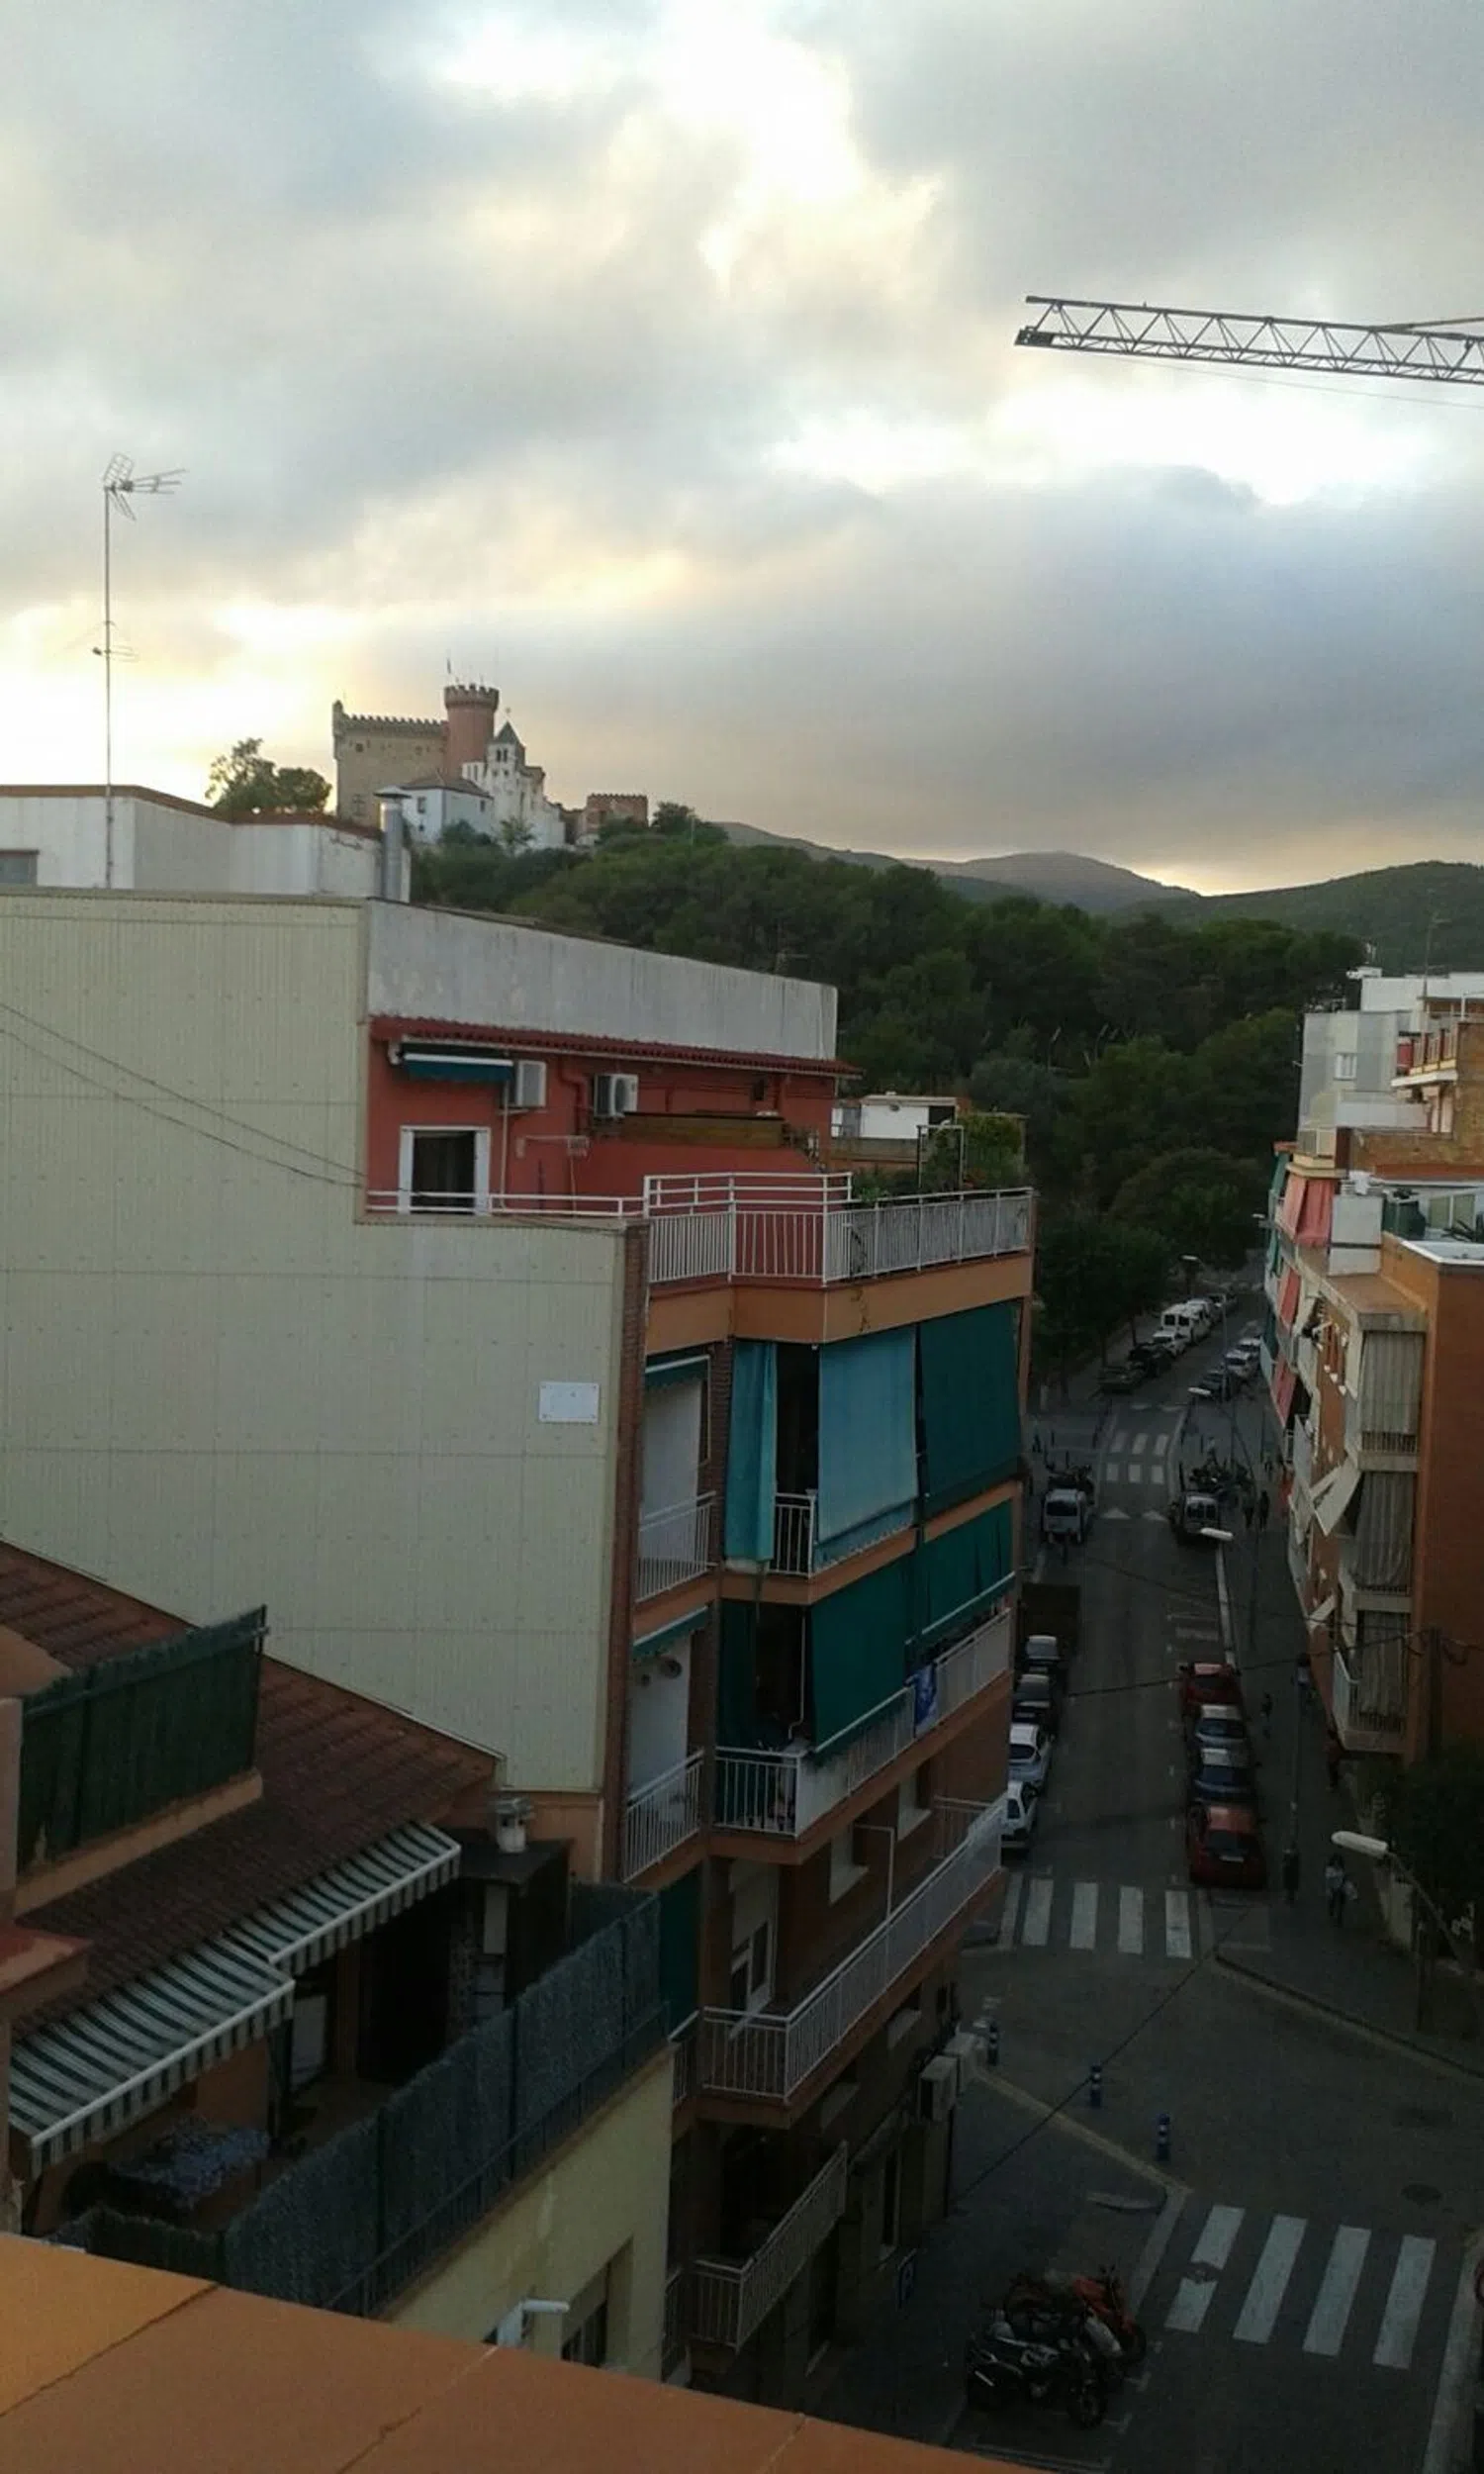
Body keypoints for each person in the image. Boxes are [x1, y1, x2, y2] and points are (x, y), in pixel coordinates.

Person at [1325, 1853, 1349, 1925]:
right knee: (1332, 1903)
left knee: (1341, 1904)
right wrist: (1328, 1889)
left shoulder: (1342, 1870)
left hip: (1341, 1889)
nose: (1337, 1865)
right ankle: (1332, 1914)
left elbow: (1344, 1879)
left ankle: (1339, 1918)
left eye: (1338, 1863)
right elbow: (1328, 1880)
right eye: (1336, 1863)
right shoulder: (1330, 1870)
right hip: (1333, 1889)